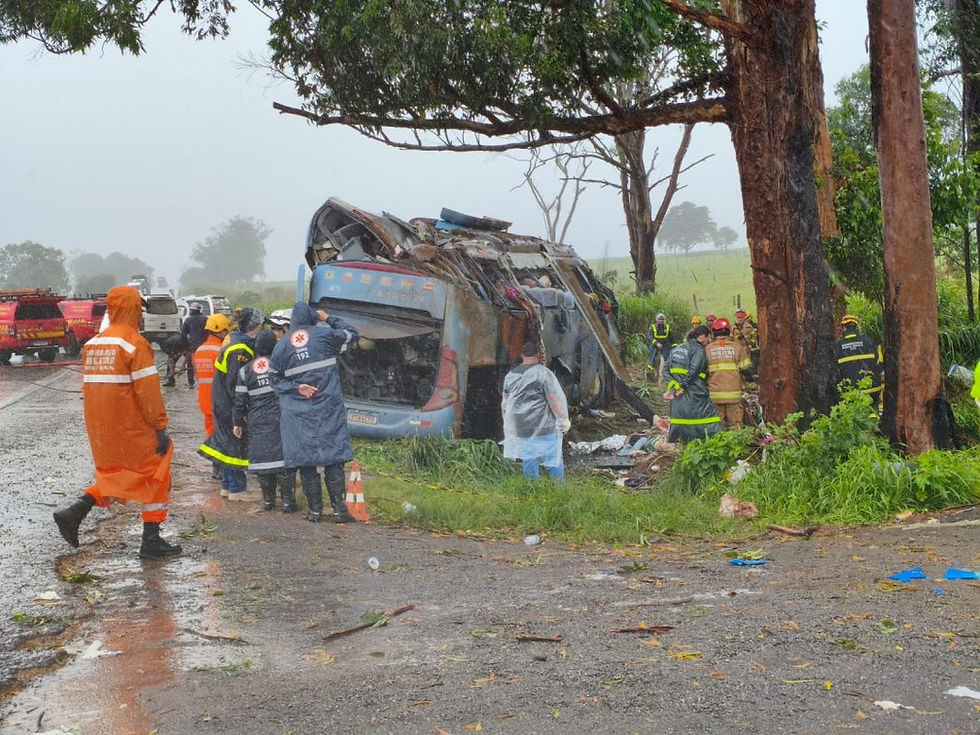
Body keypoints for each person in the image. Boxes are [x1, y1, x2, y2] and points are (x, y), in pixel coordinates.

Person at [52, 286, 181, 559]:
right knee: (156, 472)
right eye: (140, 309)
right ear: (133, 309)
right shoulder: (134, 343)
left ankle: (75, 511)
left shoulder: (94, 344)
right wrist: (160, 427)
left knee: (116, 472)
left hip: (100, 428)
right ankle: (151, 539)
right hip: (131, 425)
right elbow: (148, 394)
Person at [270, 303, 359, 523]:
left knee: (306, 460)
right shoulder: (324, 336)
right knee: (333, 458)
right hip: (327, 409)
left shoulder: (281, 347)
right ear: (312, 318)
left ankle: (315, 512)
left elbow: (274, 380)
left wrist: (295, 387)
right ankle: (339, 511)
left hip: (298, 413)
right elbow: (352, 335)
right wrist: (328, 318)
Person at [199, 308, 265, 501]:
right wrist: (241, 409)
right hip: (229, 403)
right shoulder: (241, 350)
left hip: (220, 401)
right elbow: (237, 383)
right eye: (261, 325)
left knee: (228, 443)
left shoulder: (233, 339)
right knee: (235, 444)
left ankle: (227, 486)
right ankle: (237, 488)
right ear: (255, 326)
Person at [233, 330, 298, 512]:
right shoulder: (282, 365)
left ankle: (268, 502)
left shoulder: (245, 371)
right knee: (282, 460)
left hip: (257, 421)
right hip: (281, 419)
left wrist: (237, 423)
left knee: (263, 461)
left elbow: (239, 400)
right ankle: (288, 502)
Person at [501, 340, 571, 482]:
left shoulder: (511, 376)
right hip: (544, 426)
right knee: (553, 459)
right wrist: (563, 419)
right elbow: (553, 398)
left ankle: (533, 489)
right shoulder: (544, 374)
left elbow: (506, 403)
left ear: (522, 355)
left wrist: (511, 424)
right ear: (538, 355)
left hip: (522, 427)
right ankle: (559, 490)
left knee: (529, 459)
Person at [666, 325, 722, 443]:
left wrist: (675, 387)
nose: (708, 342)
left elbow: (665, 370)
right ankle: (712, 439)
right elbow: (694, 369)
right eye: (708, 338)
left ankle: (680, 439)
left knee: (681, 416)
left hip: (678, 393)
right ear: (702, 336)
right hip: (695, 389)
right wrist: (684, 386)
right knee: (706, 415)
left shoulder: (677, 349)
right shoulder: (698, 350)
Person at [705, 318, 753, 429]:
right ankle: (736, 446)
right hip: (734, 395)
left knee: (717, 426)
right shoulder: (737, 347)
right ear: (729, 331)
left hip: (715, 396)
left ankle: (718, 445)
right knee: (735, 426)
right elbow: (747, 371)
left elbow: (703, 373)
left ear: (714, 332)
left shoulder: (708, 349)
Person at [834, 314, 883, 407]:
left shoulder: (838, 346)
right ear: (856, 327)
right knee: (872, 415)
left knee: (853, 417)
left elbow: (835, 372)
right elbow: (879, 362)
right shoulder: (868, 341)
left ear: (844, 327)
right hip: (872, 391)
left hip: (850, 394)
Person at [180, 303, 208, 387]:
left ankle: (191, 383)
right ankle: (203, 381)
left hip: (193, 346)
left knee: (191, 364)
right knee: (205, 364)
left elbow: (183, 334)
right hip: (205, 346)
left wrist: (186, 346)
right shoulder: (206, 319)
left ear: (192, 310)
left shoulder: (188, 320)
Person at [646, 313, 672, 384]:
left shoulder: (667, 327)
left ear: (664, 320)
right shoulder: (653, 327)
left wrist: (674, 345)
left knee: (667, 359)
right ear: (656, 319)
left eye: (662, 319)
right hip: (655, 345)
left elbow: (671, 337)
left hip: (665, 345)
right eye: (659, 319)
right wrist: (656, 343)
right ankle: (651, 374)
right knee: (652, 358)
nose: (661, 321)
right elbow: (649, 336)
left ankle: (664, 377)